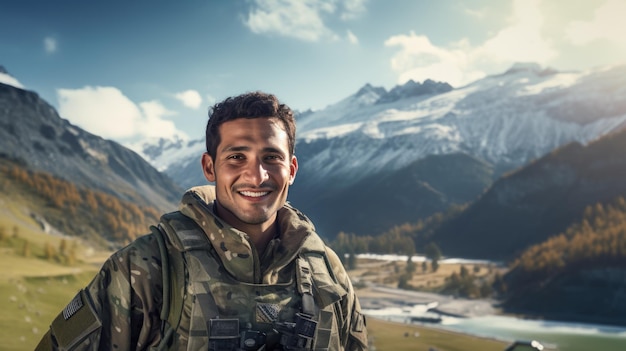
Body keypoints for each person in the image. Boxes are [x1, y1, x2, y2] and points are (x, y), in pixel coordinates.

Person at [35, 91, 369, 351]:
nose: (256, 175)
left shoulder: (329, 272)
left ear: (291, 170)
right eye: (237, 157)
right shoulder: (145, 269)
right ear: (210, 167)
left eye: (271, 157)